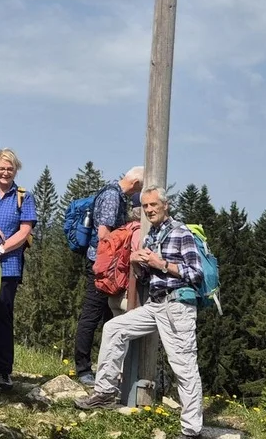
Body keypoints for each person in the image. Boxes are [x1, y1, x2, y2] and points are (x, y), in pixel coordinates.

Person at [75, 186, 204, 439]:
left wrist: (162, 264)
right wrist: (138, 262)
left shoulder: (181, 233)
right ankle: (105, 393)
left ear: (166, 205)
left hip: (177, 306)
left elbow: (196, 274)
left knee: (184, 365)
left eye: (154, 205)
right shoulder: (153, 234)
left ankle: (192, 429)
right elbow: (146, 276)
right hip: (156, 305)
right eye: (145, 206)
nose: (149, 210)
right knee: (114, 328)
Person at [74, 166, 145, 386]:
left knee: (108, 317)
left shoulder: (113, 193)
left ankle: (105, 370)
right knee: (92, 314)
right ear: (135, 184)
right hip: (103, 265)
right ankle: (83, 367)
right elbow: (104, 233)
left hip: (107, 264)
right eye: (140, 189)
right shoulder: (113, 196)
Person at [0, 148, 36, 390]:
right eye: (1, 168)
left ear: (15, 170)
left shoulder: (23, 196)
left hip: (9, 266)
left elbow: (25, 231)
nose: (5, 172)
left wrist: (0, 249)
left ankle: (3, 370)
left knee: (2, 318)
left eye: (10, 168)